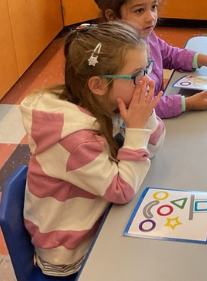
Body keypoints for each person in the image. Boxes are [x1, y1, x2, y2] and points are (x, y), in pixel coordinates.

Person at [20, 22, 165, 276]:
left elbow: (152, 148)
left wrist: (144, 116)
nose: (146, 80)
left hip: (100, 215)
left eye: (147, 68)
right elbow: (122, 190)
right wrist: (137, 129)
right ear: (98, 85)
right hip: (71, 251)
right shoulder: (75, 140)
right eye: (136, 75)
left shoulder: (108, 103)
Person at [91, 0, 207, 118]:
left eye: (153, 7)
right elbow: (141, 107)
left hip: (157, 109)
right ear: (112, 17)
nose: (151, 17)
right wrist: (186, 103)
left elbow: (167, 54)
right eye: (139, 10)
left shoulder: (146, 34)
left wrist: (200, 59)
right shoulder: (117, 56)